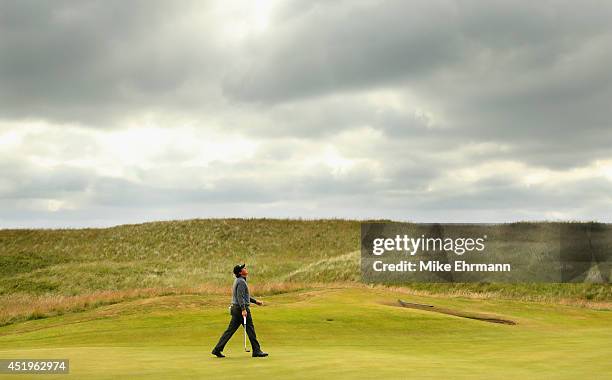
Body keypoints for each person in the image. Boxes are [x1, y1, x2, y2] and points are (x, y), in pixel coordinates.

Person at [212, 264, 268, 358]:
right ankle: (256, 351)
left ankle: (217, 349)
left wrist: (255, 302)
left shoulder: (239, 280)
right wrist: (243, 309)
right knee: (250, 330)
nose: (246, 269)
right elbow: (240, 297)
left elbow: (244, 296)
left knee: (230, 331)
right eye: (244, 268)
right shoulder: (241, 282)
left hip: (236, 308)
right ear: (240, 272)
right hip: (240, 309)